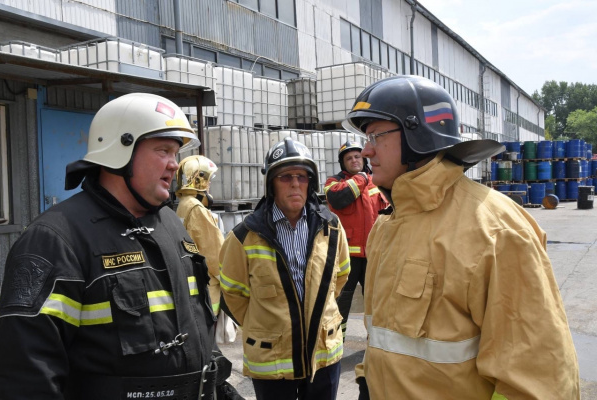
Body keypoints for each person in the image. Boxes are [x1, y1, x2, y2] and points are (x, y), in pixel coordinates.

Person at [342, 76, 580, 399]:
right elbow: (382, 339)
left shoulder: (496, 231)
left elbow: (539, 381)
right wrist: (366, 384)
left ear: (417, 135)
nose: (366, 149)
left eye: (376, 135)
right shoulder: (386, 227)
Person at [0, 93, 241, 400]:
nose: (174, 164)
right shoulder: (54, 239)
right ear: (119, 150)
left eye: (176, 153)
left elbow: (196, 325)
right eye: (163, 151)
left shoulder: (171, 224)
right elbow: (26, 374)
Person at [219, 137, 351, 400]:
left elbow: (340, 277)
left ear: (310, 183)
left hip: (323, 356)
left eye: (302, 177)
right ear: (271, 184)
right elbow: (232, 294)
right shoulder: (244, 235)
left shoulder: (331, 227)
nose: (295, 184)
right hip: (273, 360)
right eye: (286, 177)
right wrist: (264, 324)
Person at [324, 141, 388, 340]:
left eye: (357, 156)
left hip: (373, 254)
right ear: (343, 163)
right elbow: (338, 200)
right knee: (341, 302)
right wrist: (361, 177)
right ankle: (337, 341)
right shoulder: (334, 183)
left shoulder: (378, 181)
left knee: (376, 302)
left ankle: (375, 342)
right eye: (349, 158)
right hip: (346, 258)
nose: (354, 160)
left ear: (363, 158)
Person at [175, 155, 237, 344]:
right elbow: (215, 254)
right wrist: (231, 282)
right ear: (198, 179)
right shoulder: (197, 209)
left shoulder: (183, 205)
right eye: (208, 180)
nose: (210, 185)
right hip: (207, 293)